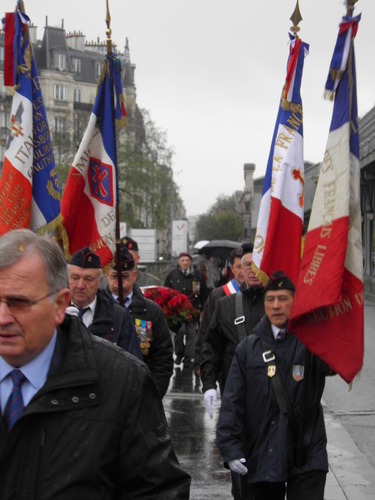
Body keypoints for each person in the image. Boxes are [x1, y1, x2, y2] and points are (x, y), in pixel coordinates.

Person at [0, 229, 191, 498]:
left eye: (18, 302)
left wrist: (150, 399)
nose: (2, 317)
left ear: (59, 306)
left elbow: (158, 490)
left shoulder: (124, 383)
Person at [216, 271, 335, 500]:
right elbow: (232, 402)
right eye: (270, 299)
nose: (276, 305)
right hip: (264, 450)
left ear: (294, 302)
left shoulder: (311, 343)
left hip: (306, 452)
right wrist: (230, 449)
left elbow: (337, 362)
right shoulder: (247, 349)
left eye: (283, 299)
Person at [200, 243, 264, 500]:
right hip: (236, 402)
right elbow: (211, 348)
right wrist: (208, 385)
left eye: (256, 264)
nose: (250, 270)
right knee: (241, 479)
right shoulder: (225, 305)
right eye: (246, 264)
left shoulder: (278, 302)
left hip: (272, 405)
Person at [107, 248, 174, 398]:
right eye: (114, 276)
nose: (119, 283)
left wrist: (153, 395)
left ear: (134, 275)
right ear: (106, 275)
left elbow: (163, 358)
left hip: (139, 394)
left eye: (125, 276)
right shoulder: (99, 309)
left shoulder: (151, 312)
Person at [67, 246, 143, 361]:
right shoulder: (53, 313)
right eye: (75, 278)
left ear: (99, 281)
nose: (80, 285)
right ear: (67, 279)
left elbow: (133, 366)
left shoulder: (118, 316)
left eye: (88, 279)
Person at [194, 247, 245, 376]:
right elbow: (205, 329)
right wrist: (200, 361)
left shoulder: (261, 296)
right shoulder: (218, 295)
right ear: (232, 269)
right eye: (238, 267)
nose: (242, 271)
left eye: (247, 266)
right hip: (226, 365)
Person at [164, 252, 208, 368]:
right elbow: (166, 291)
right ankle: (179, 354)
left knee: (191, 334)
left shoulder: (197, 275)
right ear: (179, 262)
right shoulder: (172, 274)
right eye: (182, 260)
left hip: (193, 309)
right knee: (179, 332)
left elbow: (204, 291)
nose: (185, 263)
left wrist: (203, 307)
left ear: (190, 262)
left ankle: (188, 358)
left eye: (187, 261)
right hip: (177, 310)